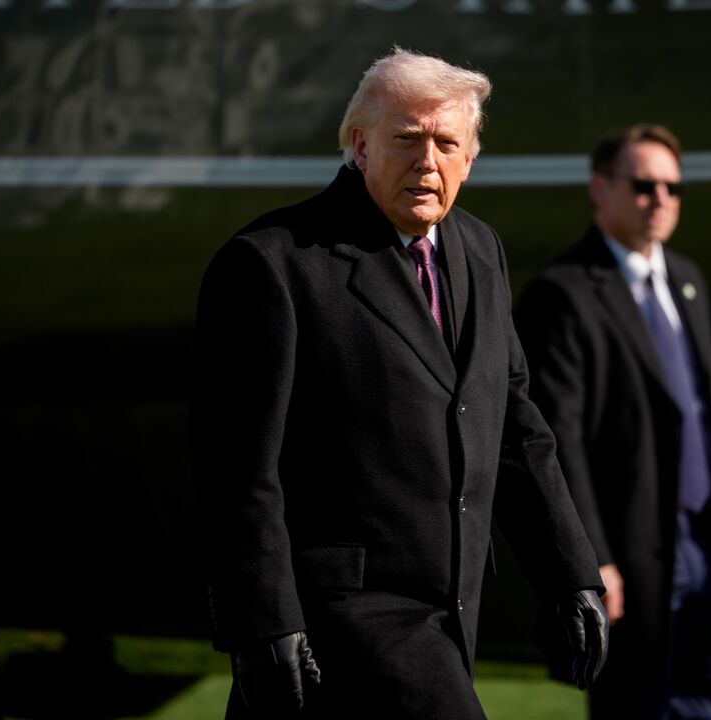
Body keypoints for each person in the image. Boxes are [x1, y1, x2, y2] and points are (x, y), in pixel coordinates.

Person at [190, 48, 608, 720]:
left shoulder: (480, 251)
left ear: (470, 158)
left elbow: (514, 426)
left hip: (452, 615)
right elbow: (239, 470)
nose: (428, 162)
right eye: (406, 140)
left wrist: (569, 569)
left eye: (448, 143)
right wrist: (263, 623)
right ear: (360, 146)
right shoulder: (272, 266)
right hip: (339, 621)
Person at [516, 124, 711, 720]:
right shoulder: (563, 293)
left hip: (705, 540)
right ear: (599, 188)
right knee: (639, 705)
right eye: (644, 185)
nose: (661, 200)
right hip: (631, 550)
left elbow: (704, 415)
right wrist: (589, 555)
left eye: (673, 188)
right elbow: (557, 438)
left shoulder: (688, 280)